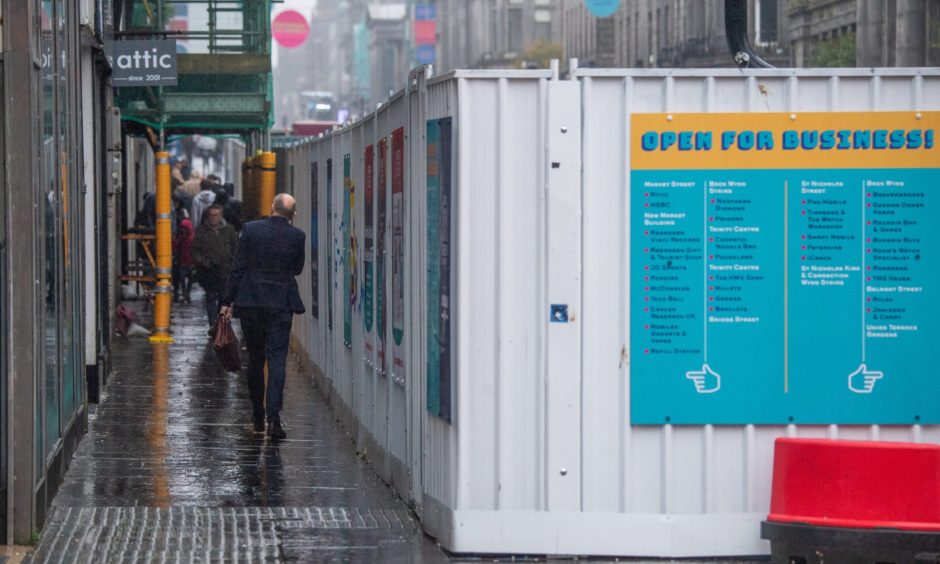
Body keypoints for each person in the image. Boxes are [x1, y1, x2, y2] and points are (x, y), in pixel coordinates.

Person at [220, 194, 305, 439]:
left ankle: (258, 414)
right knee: (277, 360)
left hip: (251, 302)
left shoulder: (251, 230)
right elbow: (297, 269)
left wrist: (227, 301)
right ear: (292, 215)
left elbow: (238, 268)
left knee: (256, 358)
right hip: (281, 304)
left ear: (271, 207)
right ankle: (274, 419)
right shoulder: (297, 236)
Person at [192, 205, 238, 328]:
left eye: (216, 215)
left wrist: (232, 263)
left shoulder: (229, 230)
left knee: (224, 299)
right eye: (211, 215)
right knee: (211, 298)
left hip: (225, 271)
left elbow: (235, 248)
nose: (214, 218)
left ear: (221, 216)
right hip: (209, 271)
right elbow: (195, 250)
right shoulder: (201, 230)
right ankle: (213, 325)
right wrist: (204, 262)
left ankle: (222, 324)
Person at [173, 215, 194, 303]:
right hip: (184, 262)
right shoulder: (182, 238)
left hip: (189, 263)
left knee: (188, 279)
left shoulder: (191, 238)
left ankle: (186, 293)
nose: (183, 230)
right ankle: (186, 294)